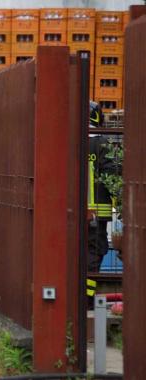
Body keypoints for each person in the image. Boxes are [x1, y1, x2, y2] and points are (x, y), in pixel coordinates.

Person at [88, 101, 114, 274]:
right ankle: (86, 297)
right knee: (94, 252)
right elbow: (113, 175)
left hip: (68, 211)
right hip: (98, 212)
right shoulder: (103, 144)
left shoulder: (67, 141)